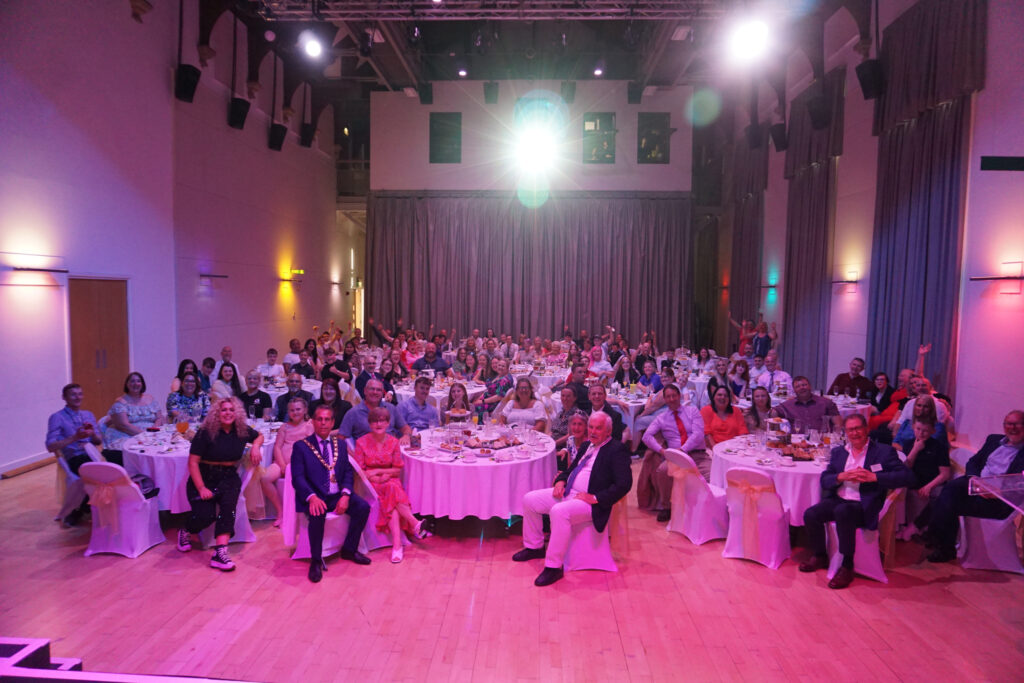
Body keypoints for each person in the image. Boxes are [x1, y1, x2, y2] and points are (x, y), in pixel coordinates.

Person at [513, 411, 633, 586]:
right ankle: (534, 547)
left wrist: (596, 497)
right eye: (591, 427)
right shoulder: (587, 446)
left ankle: (554, 567)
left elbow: (625, 483)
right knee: (529, 499)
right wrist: (561, 481)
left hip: (590, 504)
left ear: (608, 430)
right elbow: (571, 470)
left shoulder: (616, 450)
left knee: (558, 512)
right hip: (569, 492)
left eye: (598, 428)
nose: (593, 431)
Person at [799, 414, 913, 589]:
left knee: (843, 512)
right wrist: (840, 476)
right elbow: (825, 479)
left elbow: (906, 476)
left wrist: (874, 477)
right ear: (845, 433)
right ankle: (820, 555)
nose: (855, 433)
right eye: (850, 430)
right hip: (839, 499)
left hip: (864, 504)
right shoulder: (839, 452)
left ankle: (847, 565)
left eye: (858, 428)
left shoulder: (883, 452)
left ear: (866, 429)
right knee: (811, 514)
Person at [924, 410, 1024, 563]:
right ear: (1004, 426)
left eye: (1017, 424)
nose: (1013, 428)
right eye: (1009, 424)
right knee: (949, 489)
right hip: (976, 483)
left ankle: (940, 542)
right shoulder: (993, 440)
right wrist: (975, 479)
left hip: (997, 498)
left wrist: (999, 493)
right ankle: (938, 538)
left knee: (949, 500)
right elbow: (973, 462)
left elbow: (1019, 484)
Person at [177, 397, 264, 572]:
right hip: (204, 476)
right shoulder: (205, 433)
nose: (228, 413)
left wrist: (255, 446)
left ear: (237, 413)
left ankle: (220, 552)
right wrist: (201, 487)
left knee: (228, 509)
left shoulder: (241, 431)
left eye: (232, 410)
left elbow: (260, 435)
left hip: (228, 477)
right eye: (224, 410)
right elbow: (192, 463)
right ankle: (185, 530)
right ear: (217, 413)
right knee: (205, 515)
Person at [291, 404, 372, 582]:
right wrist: (311, 497)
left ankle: (349, 550)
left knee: (363, 507)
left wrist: (345, 494)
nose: (323, 423)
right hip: (315, 496)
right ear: (313, 421)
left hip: (337, 495)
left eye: (327, 419)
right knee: (317, 513)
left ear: (332, 422)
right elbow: (297, 478)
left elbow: (348, 473)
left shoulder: (340, 445)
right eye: (319, 419)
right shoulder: (301, 447)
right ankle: (315, 560)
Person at [353, 407, 431, 563]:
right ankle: (414, 523)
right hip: (369, 485)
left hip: (390, 480)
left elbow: (397, 468)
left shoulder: (394, 442)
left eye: (382, 420)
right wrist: (376, 476)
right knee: (393, 490)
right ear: (369, 424)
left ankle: (397, 546)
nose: (378, 424)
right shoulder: (361, 443)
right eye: (375, 421)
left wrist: (380, 472)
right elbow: (360, 471)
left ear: (388, 423)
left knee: (391, 490)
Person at [641, 384, 706, 521]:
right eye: (668, 397)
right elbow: (646, 437)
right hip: (676, 459)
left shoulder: (693, 411)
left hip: (697, 454)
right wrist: (662, 451)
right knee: (662, 471)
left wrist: (683, 449)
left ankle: (709, 509)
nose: (671, 399)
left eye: (674, 395)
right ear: (664, 399)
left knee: (712, 474)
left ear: (679, 396)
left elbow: (698, 434)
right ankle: (667, 507)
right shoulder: (661, 418)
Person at [46, 383, 105, 526]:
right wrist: (74, 438)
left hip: (92, 454)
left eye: (80, 394)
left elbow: (98, 441)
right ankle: (79, 509)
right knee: (96, 473)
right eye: (73, 394)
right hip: (74, 457)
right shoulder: (57, 417)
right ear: (64, 397)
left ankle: (95, 505)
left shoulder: (88, 414)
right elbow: (50, 446)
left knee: (120, 462)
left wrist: (93, 434)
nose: (77, 397)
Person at [261, 396, 313, 527]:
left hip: (301, 464)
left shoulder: (309, 425)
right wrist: (282, 465)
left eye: (298, 409)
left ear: (305, 410)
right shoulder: (284, 427)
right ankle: (280, 511)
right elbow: (277, 447)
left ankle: (299, 514)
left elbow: (312, 448)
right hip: (281, 463)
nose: (295, 412)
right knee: (265, 478)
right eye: (292, 410)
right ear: (288, 412)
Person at [899, 416, 951, 532]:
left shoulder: (939, 447)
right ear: (913, 427)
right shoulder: (908, 444)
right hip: (913, 481)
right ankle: (901, 525)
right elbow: (905, 468)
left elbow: (945, 474)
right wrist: (915, 450)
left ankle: (916, 526)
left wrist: (929, 487)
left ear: (933, 431)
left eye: (925, 430)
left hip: (933, 482)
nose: (921, 433)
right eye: (918, 429)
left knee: (941, 497)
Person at [103, 372, 164, 456]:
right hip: (128, 434)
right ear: (127, 384)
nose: (135, 384)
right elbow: (124, 425)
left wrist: (153, 431)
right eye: (132, 381)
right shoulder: (120, 402)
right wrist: (144, 435)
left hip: (151, 433)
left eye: (138, 381)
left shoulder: (150, 398)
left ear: (142, 384)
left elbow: (159, 418)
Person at [340, 379, 410, 441]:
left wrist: (406, 436)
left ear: (382, 393)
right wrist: (354, 455)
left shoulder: (391, 408)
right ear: (365, 391)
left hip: (391, 451)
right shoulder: (353, 413)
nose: (375, 392)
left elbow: (406, 428)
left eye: (379, 390)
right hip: (366, 453)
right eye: (372, 389)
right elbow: (341, 438)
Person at [770, 376, 842, 433]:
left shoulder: (826, 402)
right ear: (794, 390)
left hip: (822, 441)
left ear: (810, 386)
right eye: (798, 387)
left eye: (804, 385)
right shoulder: (787, 405)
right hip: (797, 443)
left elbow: (838, 424)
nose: (801, 388)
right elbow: (772, 413)